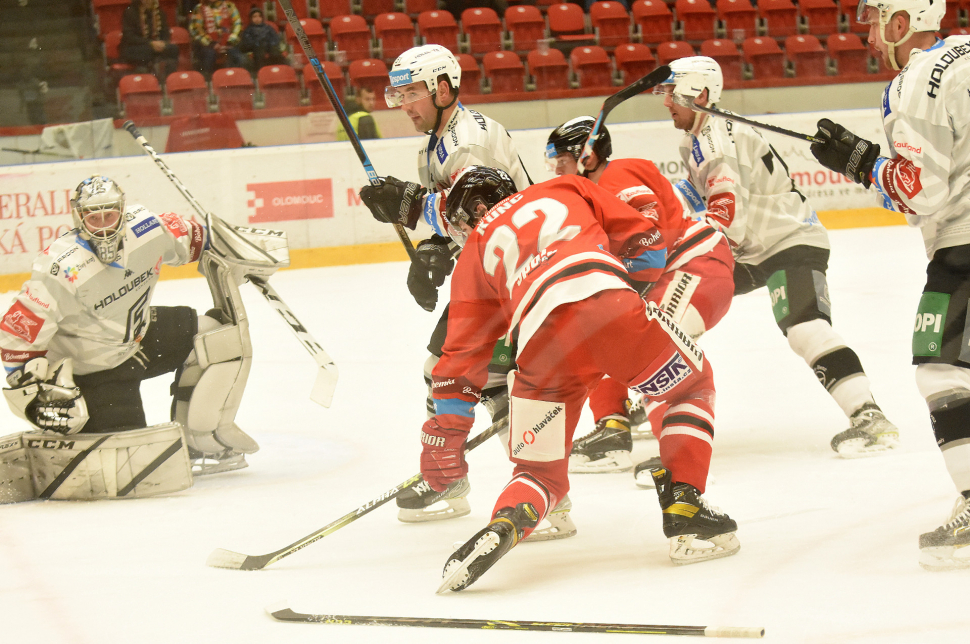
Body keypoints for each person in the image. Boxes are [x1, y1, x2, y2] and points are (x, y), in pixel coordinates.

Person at [425, 167, 738, 592]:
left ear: (476, 211)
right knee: (692, 386)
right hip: (606, 304)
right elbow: (647, 245)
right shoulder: (565, 186)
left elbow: (459, 363)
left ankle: (506, 522)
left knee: (539, 472)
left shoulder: (476, 252)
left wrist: (445, 437)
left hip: (539, 350)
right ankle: (686, 503)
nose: (462, 232)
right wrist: (616, 321)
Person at [358, 44, 574, 539]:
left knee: (464, 374)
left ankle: (501, 489)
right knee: (486, 378)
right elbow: (462, 220)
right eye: (399, 94)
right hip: (497, 268)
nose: (404, 104)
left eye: (411, 92)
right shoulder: (440, 137)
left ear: (443, 87)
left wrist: (410, 206)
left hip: (514, 272)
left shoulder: (466, 141)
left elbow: (478, 210)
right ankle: (534, 495)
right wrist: (433, 249)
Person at [659, 56, 900, 460]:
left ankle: (869, 416)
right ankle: (649, 402)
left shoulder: (715, 139)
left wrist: (675, 241)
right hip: (754, 246)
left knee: (804, 327)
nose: (666, 102)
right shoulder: (702, 135)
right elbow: (696, 193)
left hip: (788, 240)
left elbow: (726, 217)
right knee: (676, 314)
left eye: (672, 92)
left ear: (700, 93)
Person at [808, 0, 970, 571]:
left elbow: (922, 191)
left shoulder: (922, 73)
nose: (872, 35)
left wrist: (861, 163)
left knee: (941, 368)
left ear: (902, 22)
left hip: (966, 245)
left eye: (878, 22)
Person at [0, 176, 270, 490]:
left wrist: (251, 250)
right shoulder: (60, 268)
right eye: (93, 216)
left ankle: (199, 439)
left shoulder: (147, 229)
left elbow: (200, 238)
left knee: (219, 339)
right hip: (94, 370)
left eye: (109, 214)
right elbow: (15, 338)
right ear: (79, 217)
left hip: (140, 338)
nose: (102, 225)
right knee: (131, 465)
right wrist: (35, 395)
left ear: (121, 209)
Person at [545, 117, 735, 479]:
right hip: (682, 272)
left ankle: (676, 459)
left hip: (695, 267)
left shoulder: (614, 177)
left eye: (562, 158)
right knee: (606, 336)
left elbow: (649, 238)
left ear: (586, 157)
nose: (556, 168)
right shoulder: (593, 192)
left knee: (652, 352)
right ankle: (612, 432)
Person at [120, 0, 181, 82]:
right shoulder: (130, 12)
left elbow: (165, 33)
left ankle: (169, 82)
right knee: (145, 52)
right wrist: (150, 43)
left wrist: (163, 43)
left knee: (173, 49)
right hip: (136, 47)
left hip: (155, 47)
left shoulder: (159, 12)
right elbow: (129, 37)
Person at [189, 0, 245, 79]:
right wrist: (212, 43)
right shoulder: (199, 8)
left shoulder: (229, 6)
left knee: (238, 57)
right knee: (209, 55)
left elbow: (238, 24)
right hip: (208, 45)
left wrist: (230, 41)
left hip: (228, 43)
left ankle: (235, 82)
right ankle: (208, 82)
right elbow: (196, 30)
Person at [238, 5, 287, 72]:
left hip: (269, 49)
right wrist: (259, 43)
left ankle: (279, 72)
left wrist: (269, 44)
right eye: (254, 17)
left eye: (259, 16)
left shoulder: (268, 28)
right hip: (256, 51)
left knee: (276, 52)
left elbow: (275, 39)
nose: (257, 18)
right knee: (260, 52)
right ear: (251, 18)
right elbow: (247, 43)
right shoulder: (248, 30)